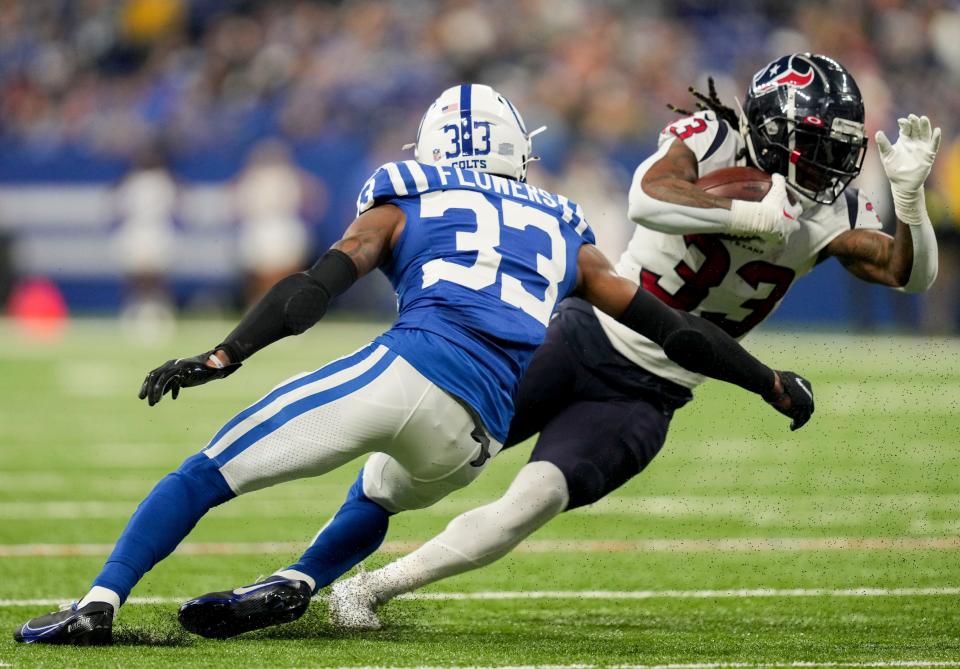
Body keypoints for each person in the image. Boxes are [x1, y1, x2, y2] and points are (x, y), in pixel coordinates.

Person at [13, 84, 811, 646]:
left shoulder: (409, 190)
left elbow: (317, 284)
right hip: (471, 434)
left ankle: (98, 602)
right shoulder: (562, 221)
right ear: (514, 150)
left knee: (202, 474)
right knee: (379, 495)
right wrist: (768, 382)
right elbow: (673, 329)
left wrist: (227, 353)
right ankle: (301, 579)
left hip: (407, 367)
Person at [325, 54, 941, 630]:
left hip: (649, 392)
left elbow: (906, 273)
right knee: (429, 455)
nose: (827, 163)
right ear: (771, 129)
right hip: (582, 332)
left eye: (836, 147)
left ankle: (368, 590)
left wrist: (911, 203)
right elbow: (646, 197)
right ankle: (309, 571)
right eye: (814, 143)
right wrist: (738, 215)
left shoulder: (835, 212)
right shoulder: (713, 137)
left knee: (531, 502)